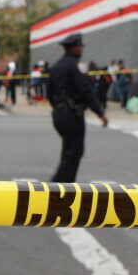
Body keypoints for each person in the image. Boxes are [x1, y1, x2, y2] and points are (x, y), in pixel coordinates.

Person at [48, 33, 107, 183]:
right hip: (72, 115)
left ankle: (60, 184)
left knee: (69, 150)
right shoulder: (76, 66)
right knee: (74, 152)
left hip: (59, 115)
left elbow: (49, 92)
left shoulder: (56, 67)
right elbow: (86, 91)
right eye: (80, 46)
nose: (81, 49)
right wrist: (100, 112)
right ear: (73, 48)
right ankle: (62, 187)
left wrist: (58, 107)